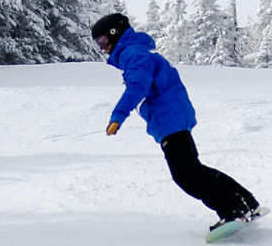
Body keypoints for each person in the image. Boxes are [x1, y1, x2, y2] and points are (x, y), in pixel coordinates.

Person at [94, 13, 262, 230]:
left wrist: (118, 116)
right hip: (172, 115)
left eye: (103, 41)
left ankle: (233, 210)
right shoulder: (137, 52)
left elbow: (137, 87)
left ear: (115, 34)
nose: (102, 48)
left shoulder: (133, 53)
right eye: (98, 43)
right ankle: (246, 203)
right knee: (193, 169)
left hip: (168, 117)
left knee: (185, 175)